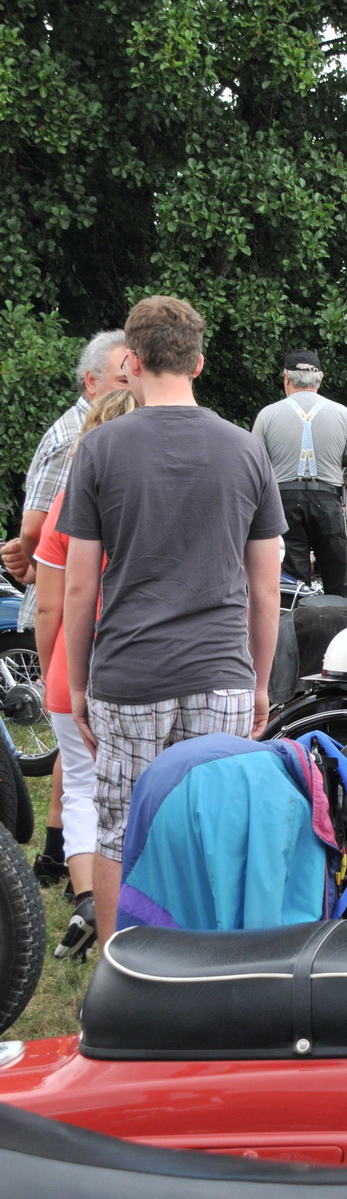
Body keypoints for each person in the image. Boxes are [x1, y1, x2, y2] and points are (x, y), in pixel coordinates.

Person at [60, 294, 286, 947]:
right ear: (199, 362)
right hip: (220, 672)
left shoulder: (100, 450)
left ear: (130, 361)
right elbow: (264, 589)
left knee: (119, 828)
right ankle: (209, 971)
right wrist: (261, 682)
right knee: (212, 824)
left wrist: (77, 684)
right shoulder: (246, 451)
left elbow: (80, 585)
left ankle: (120, 980)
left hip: (129, 674)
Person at [0, 329, 129, 888]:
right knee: (78, 752)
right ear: (92, 380)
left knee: (76, 755)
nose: (135, 384)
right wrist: (32, 559)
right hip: (63, 607)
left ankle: (58, 855)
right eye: (125, 376)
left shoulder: (100, 434)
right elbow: (38, 524)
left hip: (71, 605)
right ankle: (62, 856)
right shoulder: (75, 437)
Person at [33, 389, 138, 958]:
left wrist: (53, 663)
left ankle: (85, 900)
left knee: (81, 789)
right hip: (137, 661)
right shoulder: (150, 495)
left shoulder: (68, 502)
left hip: (74, 665)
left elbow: (51, 604)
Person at [251, 352, 347, 597]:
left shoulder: (267, 415)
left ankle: (293, 628)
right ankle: (338, 626)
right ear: (320, 378)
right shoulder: (343, 414)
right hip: (328, 501)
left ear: (286, 377)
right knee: (338, 579)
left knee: (291, 583)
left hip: (282, 503)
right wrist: (345, 500)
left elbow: (255, 469)